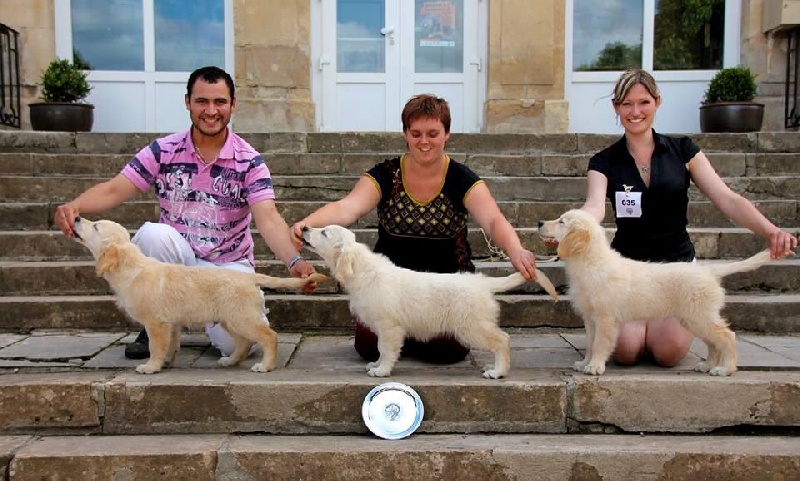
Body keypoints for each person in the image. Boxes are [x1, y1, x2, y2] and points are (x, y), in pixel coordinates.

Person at [54, 66, 318, 360]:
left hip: (227, 267)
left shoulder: (250, 161)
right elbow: (115, 190)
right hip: (177, 260)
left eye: (219, 102)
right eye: (202, 101)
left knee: (239, 344)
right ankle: (155, 322)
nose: (211, 111)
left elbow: (268, 218)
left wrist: (294, 261)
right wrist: (75, 207)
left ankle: (195, 324)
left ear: (233, 104)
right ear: (187, 102)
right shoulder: (163, 150)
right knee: (153, 235)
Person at [290, 94, 540, 364]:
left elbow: (492, 220)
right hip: (390, 289)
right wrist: (309, 224)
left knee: (447, 350)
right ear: (405, 134)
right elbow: (347, 208)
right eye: (416, 133)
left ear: (447, 134)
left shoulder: (462, 179)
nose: (424, 142)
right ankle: (402, 336)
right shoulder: (386, 174)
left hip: (446, 291)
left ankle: (408, 337)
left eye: (433, 133)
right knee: (368, 346)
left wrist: (515, 250)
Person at [576, 67, 797, 368]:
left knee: (667, 353)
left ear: (657, 102)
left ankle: (661, 332)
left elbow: (728, 199)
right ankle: (636, 332)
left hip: (676, 272)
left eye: (643, 102)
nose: (635, 112)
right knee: (626, 351)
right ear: (616, 107)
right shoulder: (603, 161)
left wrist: (771, 231)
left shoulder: (683, 151)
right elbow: (594, 207)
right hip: (628, 275)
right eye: (627, 104)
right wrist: (574, 225)